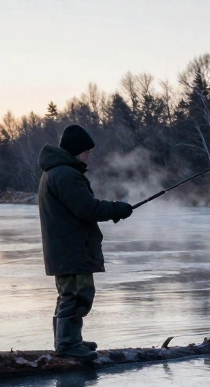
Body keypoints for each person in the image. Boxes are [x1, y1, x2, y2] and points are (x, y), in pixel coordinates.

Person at [37, 124, 134, 360]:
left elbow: (81, 209)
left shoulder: (55, 172)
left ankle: (69, 341)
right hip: (72, 248)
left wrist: (113, 211)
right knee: (77, 295)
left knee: (68, 294)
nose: (88, 155)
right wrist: (116, 209)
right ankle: (68, 344)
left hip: (65, 247)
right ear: (76, 150)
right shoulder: (65, 174)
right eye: (86, 151)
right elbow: (86, 208)